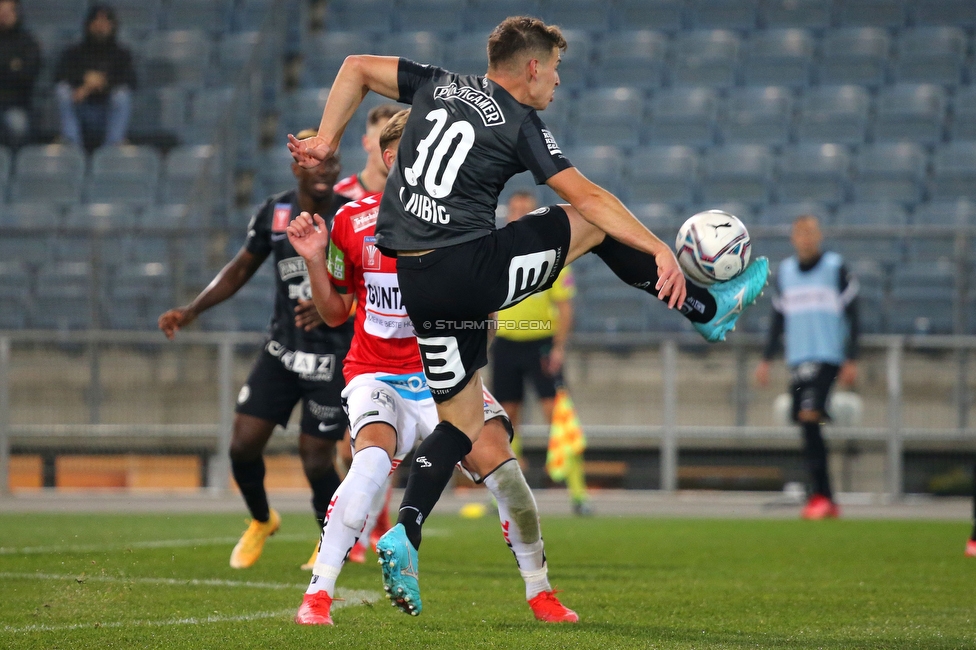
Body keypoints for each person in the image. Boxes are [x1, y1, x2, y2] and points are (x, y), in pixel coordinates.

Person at [288, 15, 769, 615]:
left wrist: (327, 140)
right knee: (590, 221)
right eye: (556, 70)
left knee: (460, 421)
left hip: (419, 284)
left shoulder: (436, 84)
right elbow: (592, 198)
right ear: (533, 67)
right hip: (469, 271)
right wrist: (660, 250)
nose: (559, 83)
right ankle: (704, 306)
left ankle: (405, 530)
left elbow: (355, 67)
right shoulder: (519, 123)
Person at [287, 109, 577, 624]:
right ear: (395, 157)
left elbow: (484, 299)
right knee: (371, 464)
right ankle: (318, 594)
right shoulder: (351, 222)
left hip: (444, 374)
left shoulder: (460, 221)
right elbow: (335, 312)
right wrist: (313, 258)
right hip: (375, 373)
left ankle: (541, 591)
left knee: (509, 478)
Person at [158, 129, 352, 569]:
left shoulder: (350, 216)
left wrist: (335, 308)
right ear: (295, 167)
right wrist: (192, 310)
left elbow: (374, 283)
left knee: (315, 457)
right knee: (242, 446)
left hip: (334, 358)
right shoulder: (275, 211)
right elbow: (241, 267)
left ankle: (331, 540)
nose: (324, 169)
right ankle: (262, 519)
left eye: (332, 163)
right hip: (283, 351)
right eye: (314, 161)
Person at [332, 102, 402, 565]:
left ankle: (375, 522)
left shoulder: (423, 208)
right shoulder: (342, 202)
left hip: (395, 343)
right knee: (349, 446)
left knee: (379, 442)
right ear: (371, 144)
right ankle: (359, 523)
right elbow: (333, 262)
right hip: (350, 331)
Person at [491, 190, 590, 515]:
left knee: (559, 417)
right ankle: (507, 495)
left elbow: (565, 307)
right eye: (515, 210)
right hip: (506, 345)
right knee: (506, 423)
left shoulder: (552, 256)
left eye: (525, 210)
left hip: (541, 345)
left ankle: (578, 494)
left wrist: (559, 347)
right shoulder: (497, 251)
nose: (518, 215)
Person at [755, 214, 859, 520]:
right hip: (798, 359)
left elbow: (854, 314)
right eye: (800, 233)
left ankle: (822, 496)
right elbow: (778, 319)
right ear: (793, 238)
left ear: (819, 236)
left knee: (809, 415)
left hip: (826, 356)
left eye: (811, 233)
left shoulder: (834, 268)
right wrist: (766, 358)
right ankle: (823, 495)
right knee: (805, 424)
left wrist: (851, 356)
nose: (806, 238)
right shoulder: (786, 273)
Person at [54, 4, 135, 150]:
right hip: (82, 111)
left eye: (105, 21)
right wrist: (84, 81)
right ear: (88, 24)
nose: (100, 26)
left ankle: (113, 145)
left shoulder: (122, 54)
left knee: (122, 95)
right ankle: (71, 143)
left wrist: (96, 84)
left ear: (113, 25)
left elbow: (130, 80)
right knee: (62, 91)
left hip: (107, 112)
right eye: (97, 21)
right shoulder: (74, 52)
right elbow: (60, 75)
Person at [334, 103, 402, 200]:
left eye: (401, 141)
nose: (393, 150)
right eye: (386, 140)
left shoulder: (414, 201)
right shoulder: (341, 196)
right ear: (366, 142)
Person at [0, 0, 39, 148]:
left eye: (8, 11)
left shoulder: (27, 42)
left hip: (15, 104)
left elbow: (27, 76)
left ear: (16, 13)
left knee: (18, 127)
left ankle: (13, 166)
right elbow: (15, 72)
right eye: (0, 11)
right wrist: (10, 66)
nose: (3, 15)